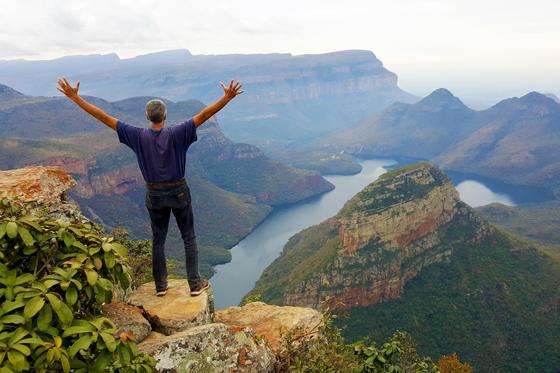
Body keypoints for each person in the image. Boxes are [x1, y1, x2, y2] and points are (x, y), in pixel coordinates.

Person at [56, 78, 243, 296]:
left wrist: (75, 97)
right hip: (179, 190)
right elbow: (205, 115)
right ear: (165, 116)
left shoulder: (137, 135)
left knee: (158, 239)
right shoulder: (178, 132)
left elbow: (103, 117)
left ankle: (161, 287)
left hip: (154, 193)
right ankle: (194, 284)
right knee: (188, 237)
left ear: (147, 117)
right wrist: (227, 97)